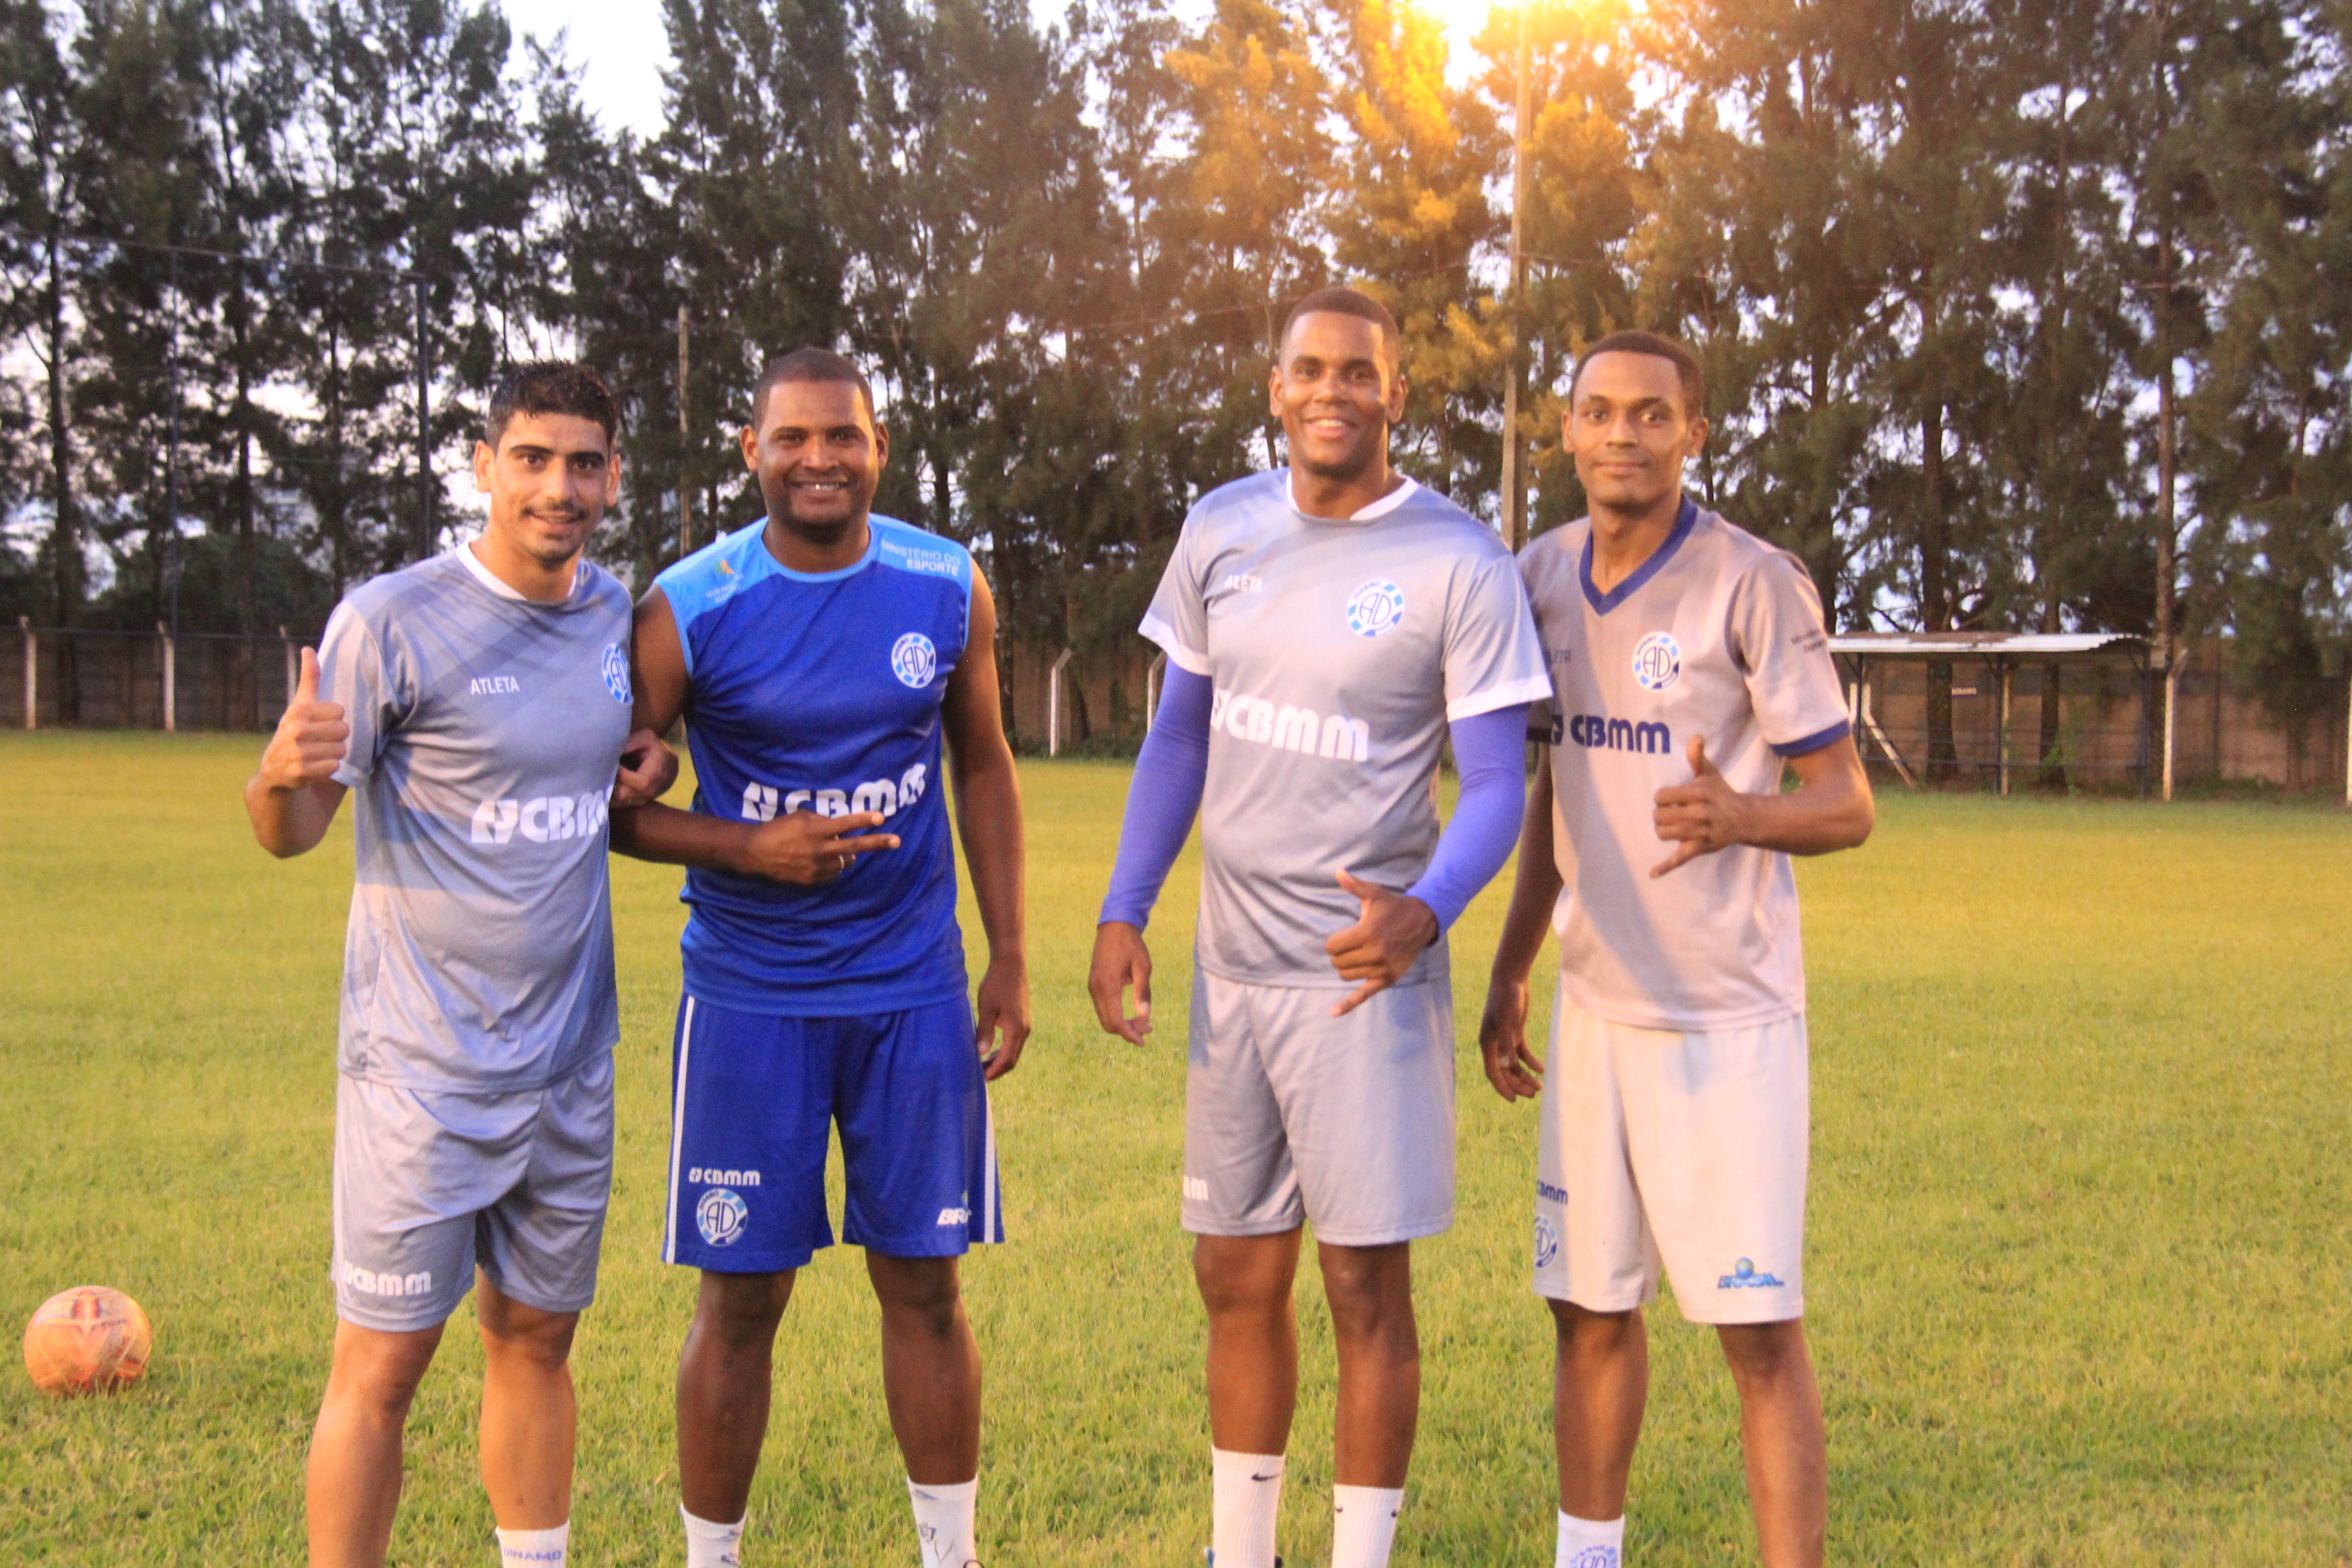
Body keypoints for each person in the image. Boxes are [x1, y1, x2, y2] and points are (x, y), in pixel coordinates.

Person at [1088, 286, 1551, 1568]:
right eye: (1310, 370)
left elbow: (1501, 783)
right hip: (1230, 977)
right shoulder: (1221, 528)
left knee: (1362, 1290)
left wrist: (1426, 912)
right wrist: (1126, 905)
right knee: (1234, 1279)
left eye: (1361, 372)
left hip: (1362, 984)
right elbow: (1179, 734)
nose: (1333, 391)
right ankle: (1242, 1553)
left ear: (1398, 392)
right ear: (1276, 386)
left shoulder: (1460, 559)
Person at [244, 361, 675, 1568]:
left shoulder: (609, 613)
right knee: (382, 1363)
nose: (559, 487)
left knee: (537, 1339)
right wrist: (277, 778)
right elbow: (294, 831)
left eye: (584, 462)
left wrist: (649, 765)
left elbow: (613, 760)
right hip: (421, 1073)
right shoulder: (392, 620)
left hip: (568, 1063)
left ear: (614, 477)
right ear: (484, 466)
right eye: (531, 459)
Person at [608, 348, 1028, 1568]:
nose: (818, 459)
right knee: (740, 1299)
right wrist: (749, 846)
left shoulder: (947, 584)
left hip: (913, 991)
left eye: (841, 436)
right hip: (750, 999)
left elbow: (986, 765)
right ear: (751, 452)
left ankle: (949, 1557)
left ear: (878, 444)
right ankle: (711, 1559)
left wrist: (1008, 957)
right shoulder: (686, 606)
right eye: (791, 438)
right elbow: (614, 807)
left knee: (928, 1285)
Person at [1477, 330, 1876, 1568]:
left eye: (1652, 415)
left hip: (1725, 1024)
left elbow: (1849, 801)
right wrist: (1509, 968)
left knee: (1756, 1331)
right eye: (1599, 412)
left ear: (1692, 433)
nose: (1623, 435)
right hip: (1597, 1014)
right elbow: (1556, 793)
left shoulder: (1755, 584)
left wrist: (1743, 815)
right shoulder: (1536, 576)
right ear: (1568, 428)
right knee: (1586, 1310)